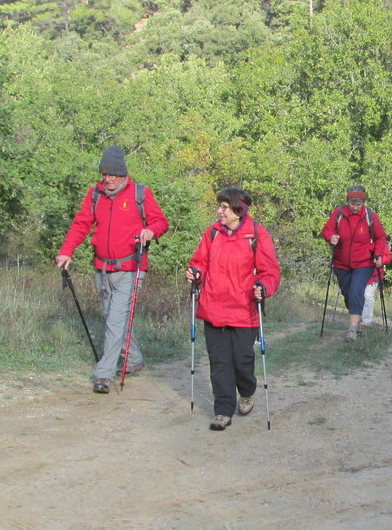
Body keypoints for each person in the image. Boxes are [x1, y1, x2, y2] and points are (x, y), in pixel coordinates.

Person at [56, 145, 169, 394]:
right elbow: (81, 224)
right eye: (104, 174)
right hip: (102, 268)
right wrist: (67, 251)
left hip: (131, 268)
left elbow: (161, 222)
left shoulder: (140, 194)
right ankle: (135, 360)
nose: (107, 179)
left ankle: (103, 374)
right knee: (112, 318)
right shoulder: (95, 195)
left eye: (112, 175)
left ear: (123, 175)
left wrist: (151, 231)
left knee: (115, 320)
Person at [186, 187, 281, 431]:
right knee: (219, 363)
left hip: (244, 309)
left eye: (224, 207)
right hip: (214, 308)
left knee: (242, 361)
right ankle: (223, 410)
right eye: (219, 206)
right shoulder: (212, 234)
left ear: (238, 210)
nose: (219, 211)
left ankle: (247, 391)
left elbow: (270, 272)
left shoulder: (256, 234)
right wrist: (195, 272)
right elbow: (200, 262)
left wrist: (263, 286)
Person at [321, 184, 392, 342]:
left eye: (358, 204)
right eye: (352, 203)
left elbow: (381, 237)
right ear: (347, 201)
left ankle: (352, 331)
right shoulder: (339, 213)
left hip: (364, 263)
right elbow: (326, 230)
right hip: (341, 263)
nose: (355, 207)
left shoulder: (370, 216)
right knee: (348, 294)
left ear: (363, 202)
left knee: (356, 292)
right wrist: (330, 237)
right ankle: (357, 323)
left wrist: (378, 253)